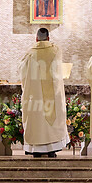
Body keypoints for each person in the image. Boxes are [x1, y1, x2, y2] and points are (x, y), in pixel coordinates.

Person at [19, 28, 68, 158]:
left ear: (36, 38)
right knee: (51, 119)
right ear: (48, 38)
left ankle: (36, 150)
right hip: (53, 95)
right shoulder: (56, 50)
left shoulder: (30, 53)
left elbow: (22, 71)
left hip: (35, 95)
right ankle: (52, 149)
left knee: (37, 120)